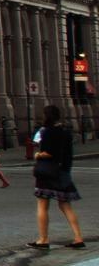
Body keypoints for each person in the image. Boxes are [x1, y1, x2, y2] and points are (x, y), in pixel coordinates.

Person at [26, 105, 84, 250]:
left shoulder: (47, 131)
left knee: (42, 205)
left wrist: (38, 155)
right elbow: (67, 154)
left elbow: (48, 152)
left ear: (46, 116)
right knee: (65, 205)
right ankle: (78, 237)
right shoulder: (65, 131)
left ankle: (43, 239)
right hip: (62, 171)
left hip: (47, 171)